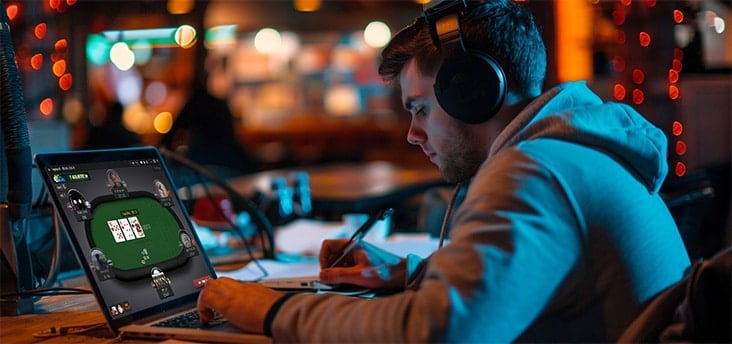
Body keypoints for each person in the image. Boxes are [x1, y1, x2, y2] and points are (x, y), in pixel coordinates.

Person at [197, 0, 691, 341]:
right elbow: (533, 279)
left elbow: (433, 332)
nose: (413, 134)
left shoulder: (534, 172)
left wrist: (272, 310)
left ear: (470, 92)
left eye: (420, 109)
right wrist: (411, 275)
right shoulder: (573, 152)